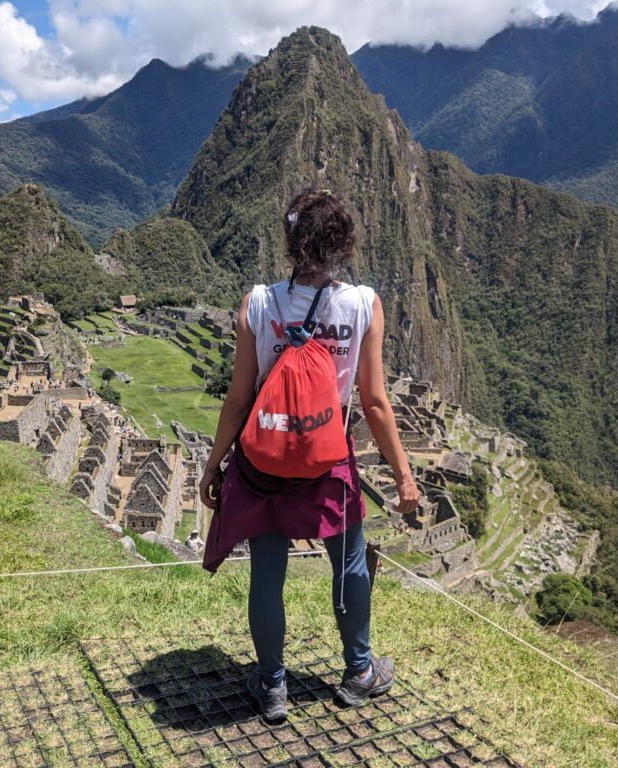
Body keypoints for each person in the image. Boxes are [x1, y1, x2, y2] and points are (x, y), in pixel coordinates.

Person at [199, 188, 420, 722]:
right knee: (348, 566)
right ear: (344, 244)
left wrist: (214, 464)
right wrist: (403, 477)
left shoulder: (258, 303)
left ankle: (273, 686)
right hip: (327, 461)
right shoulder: (362, 305)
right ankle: (359, 672)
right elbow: (373, 401)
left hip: (264, 462)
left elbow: (239, 397)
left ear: (290, 242)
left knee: (267, 574)